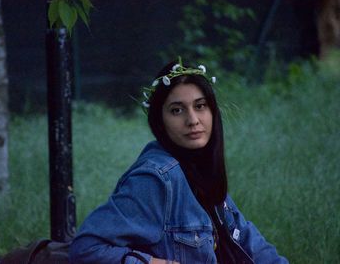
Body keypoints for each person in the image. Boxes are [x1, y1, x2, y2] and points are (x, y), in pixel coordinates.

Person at [69, 58, 289, 264]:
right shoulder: (157, 179)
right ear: (160, 120)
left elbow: (250, 243)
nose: (192, 120)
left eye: (200, 106)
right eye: (177, 110)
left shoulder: (199, 168)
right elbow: (86, 248)